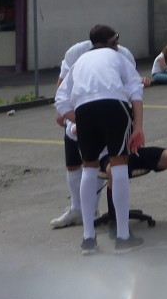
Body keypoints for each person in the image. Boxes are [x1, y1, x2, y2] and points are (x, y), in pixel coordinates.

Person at [54, 24, 146, 253]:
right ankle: (123, 237)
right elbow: (135, 89)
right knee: (119, 165)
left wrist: (77, 120)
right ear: (111, 41)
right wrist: (138, 128)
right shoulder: (118, 57)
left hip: (84, 110)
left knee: (89, 167)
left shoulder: (79, 62)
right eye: (116, 40)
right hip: (114, 105)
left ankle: (88, 239)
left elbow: (61, 100)